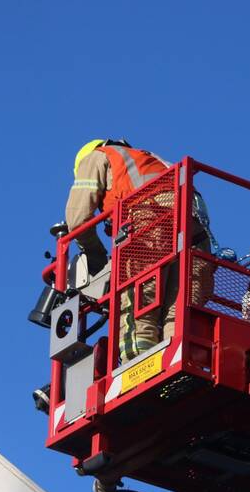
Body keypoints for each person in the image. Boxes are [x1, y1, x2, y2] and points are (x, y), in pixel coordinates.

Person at [65, 139, 215, 362]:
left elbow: (77, 220)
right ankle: (175, 363)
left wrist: (94, 255)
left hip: (149, 218)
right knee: (179, 312)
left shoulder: (97, 156)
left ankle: (137, 371)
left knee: (139, 305)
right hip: (196, 234)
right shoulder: (150, 159)